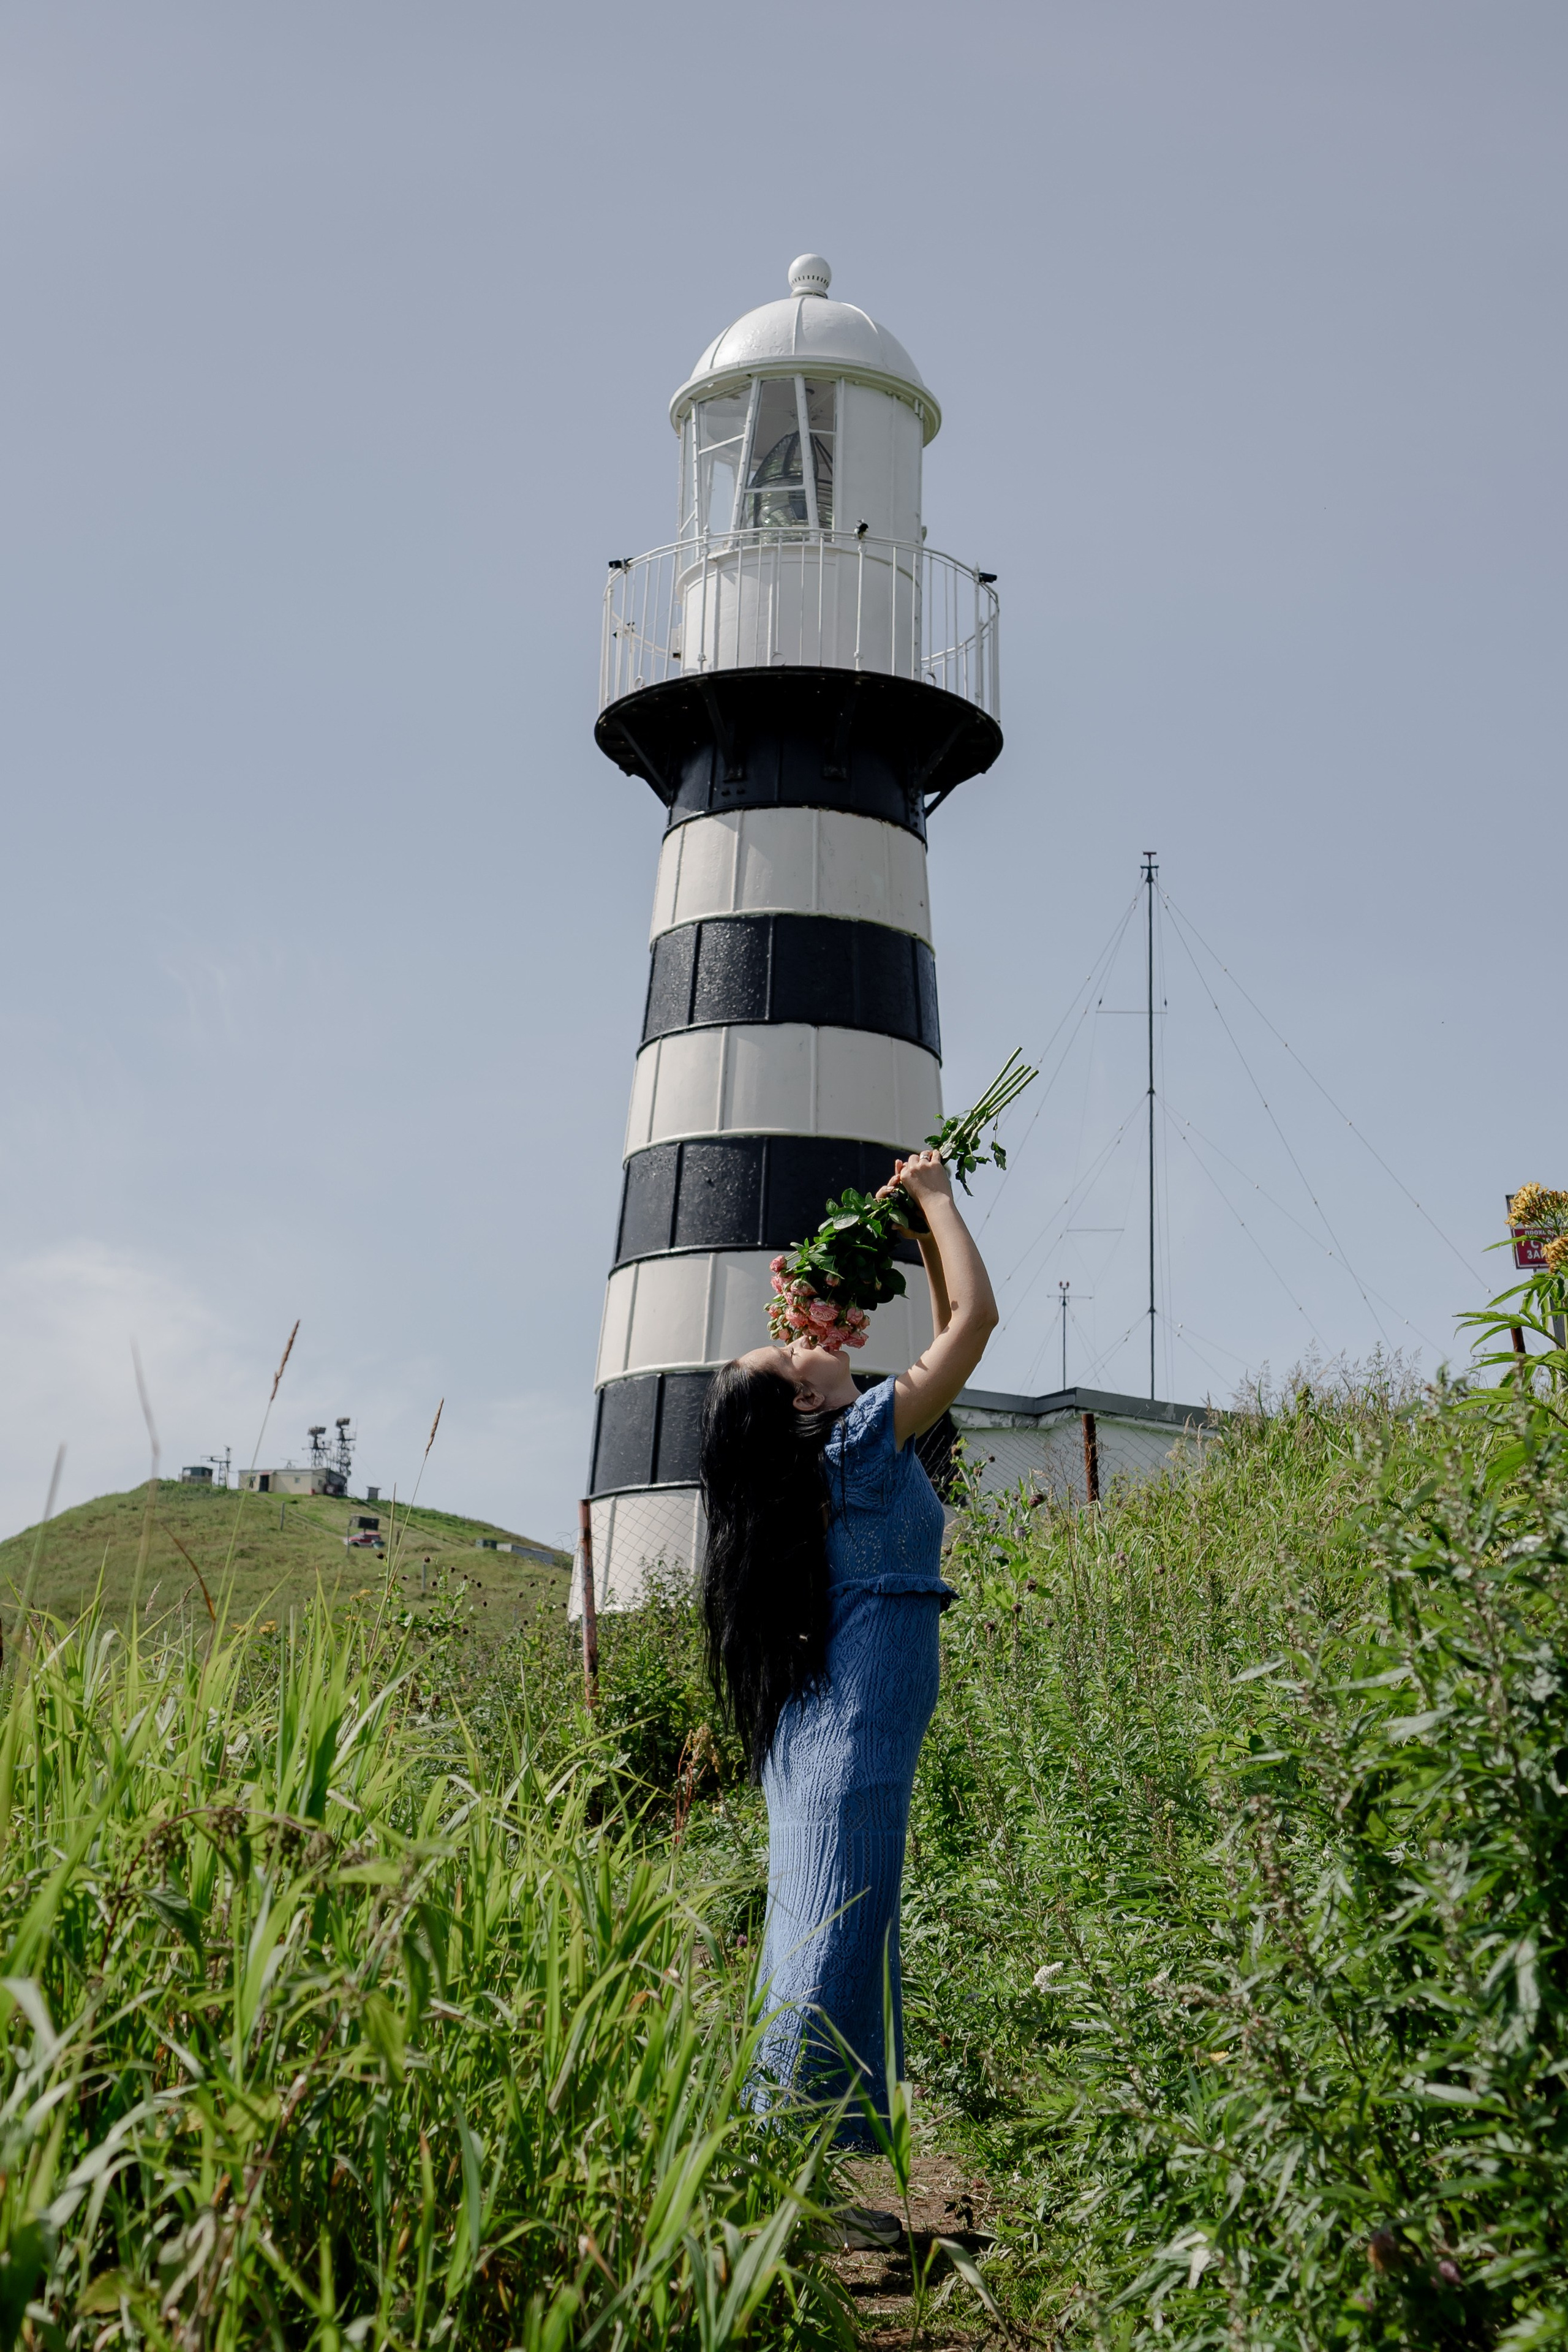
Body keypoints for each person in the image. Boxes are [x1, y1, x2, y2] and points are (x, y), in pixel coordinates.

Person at [698, 1147, 999, 2143]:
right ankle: (791, 2170)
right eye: (791, 1355)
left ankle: (789, 2165)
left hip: (825, 1742)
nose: (808, 1339)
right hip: (854, 1740)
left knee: (820, 1934)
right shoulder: (859, 1441)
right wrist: (938, 1202)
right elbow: (974, 1329)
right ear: (805, 1403)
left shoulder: (830, 1459)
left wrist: (921, 1236)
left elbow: (952, 1325)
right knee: (833, 1942)